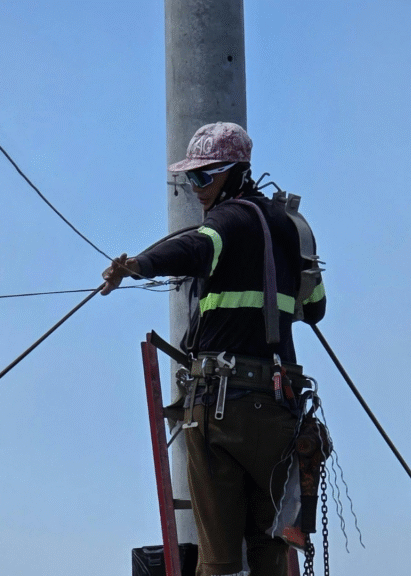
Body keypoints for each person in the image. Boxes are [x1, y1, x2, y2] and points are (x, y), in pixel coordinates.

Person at [102, 122, 326, 576]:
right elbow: (316, 308)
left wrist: (137, 265)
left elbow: (194, 249)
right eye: (192, 179)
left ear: (236, 173)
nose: (197, 189)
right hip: (279, 411)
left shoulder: (225, 221)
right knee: (269, 551)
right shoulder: (291, 228)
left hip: (222, 413)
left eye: (205, 177)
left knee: (219, 560)